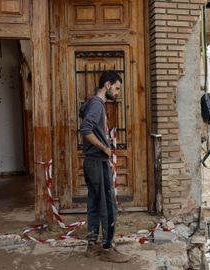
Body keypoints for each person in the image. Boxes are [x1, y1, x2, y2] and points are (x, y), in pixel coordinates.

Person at [79, 71, 130, 263]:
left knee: (93, 202)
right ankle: (107, 247)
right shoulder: (98, 105)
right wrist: (104, 147)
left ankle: (92, 246)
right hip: (97, 161)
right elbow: (85, 129)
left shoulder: (92, 103)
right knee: (108, 205)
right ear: (107, 85)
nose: (117, 93)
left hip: (90, 161)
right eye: (116, 88)